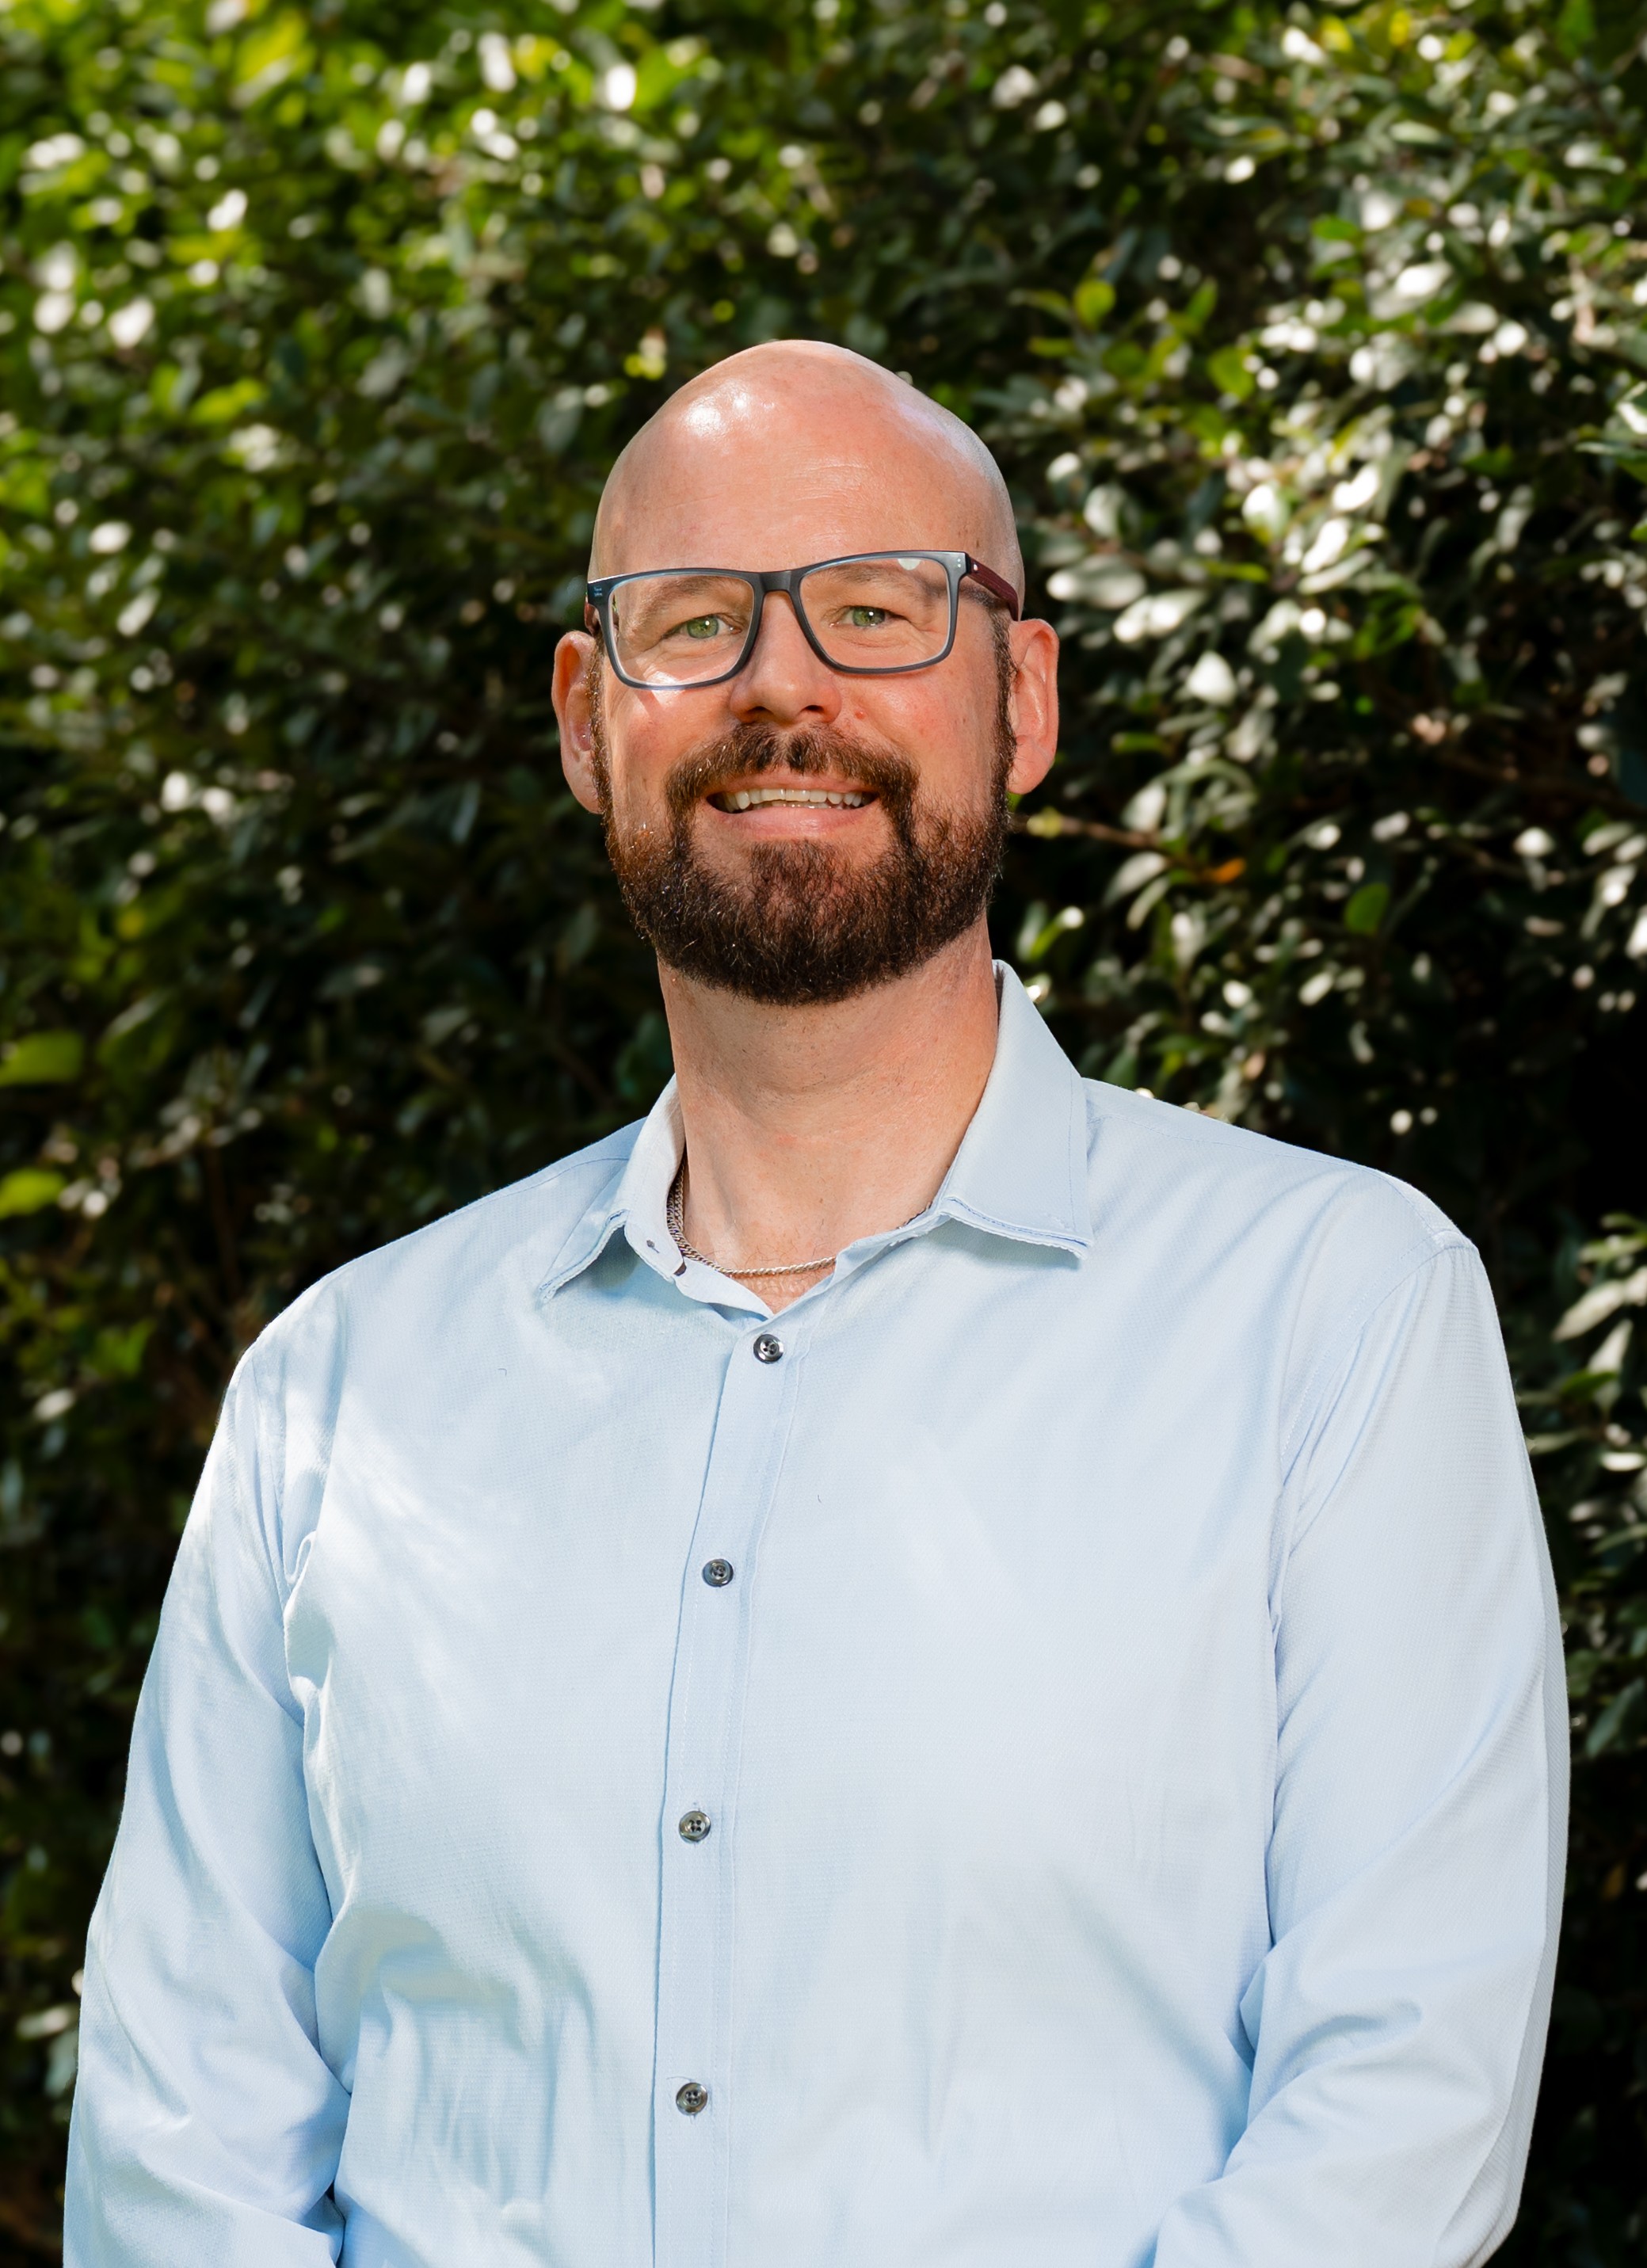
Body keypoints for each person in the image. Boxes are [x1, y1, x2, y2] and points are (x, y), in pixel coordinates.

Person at [67, 341, 1565, 2268]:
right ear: (587, 719)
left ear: (1016, 698)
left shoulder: (1333, 1317)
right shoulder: (338, 1391)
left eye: (875, 609)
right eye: (690, 621)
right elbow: (177, 2138)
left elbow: (1399, 2107)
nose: (784, 685)